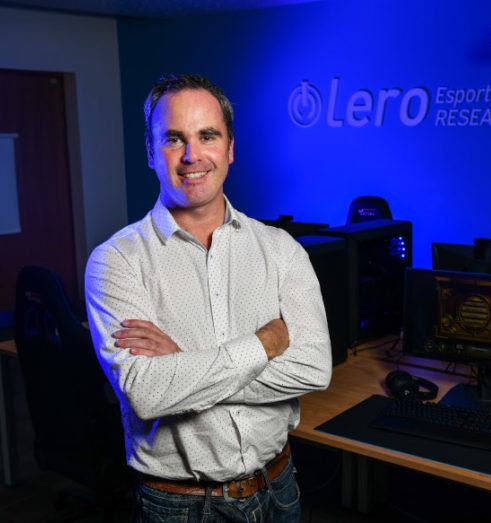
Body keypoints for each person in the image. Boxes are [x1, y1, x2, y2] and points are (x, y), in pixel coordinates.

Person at [85, 73, 332, 522]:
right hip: (178, 505)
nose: (191, 155)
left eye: (207, 136)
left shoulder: (281, 249)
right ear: (150, 152)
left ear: (230, 148)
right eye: (173, 139)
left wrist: (186, 362)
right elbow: (146, 393)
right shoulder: (115, 261)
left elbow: (315, 368)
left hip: (278, 489)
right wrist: (263, 344)